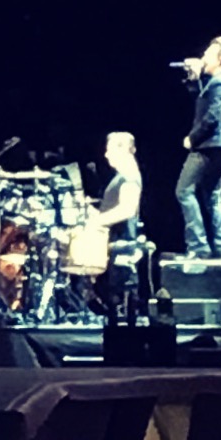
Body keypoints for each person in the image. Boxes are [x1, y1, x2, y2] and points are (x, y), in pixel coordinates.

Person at [174, 35, 221, 258]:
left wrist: (192, 138)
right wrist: (194, 79)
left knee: (184, 191)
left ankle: (198, 246)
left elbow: (212, 116)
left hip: (210, 146)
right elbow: (204, 102)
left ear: (220, 58)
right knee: (212, 195)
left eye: (208, 54)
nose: (203, 57)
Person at [85, 131, 145, 317]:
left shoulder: (129, 177)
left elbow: (127, 209)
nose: (106, 154)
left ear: (123, 149)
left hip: (121, 245)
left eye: (109, 150)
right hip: (115, 244)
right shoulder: (123, 176)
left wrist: (96, 221)